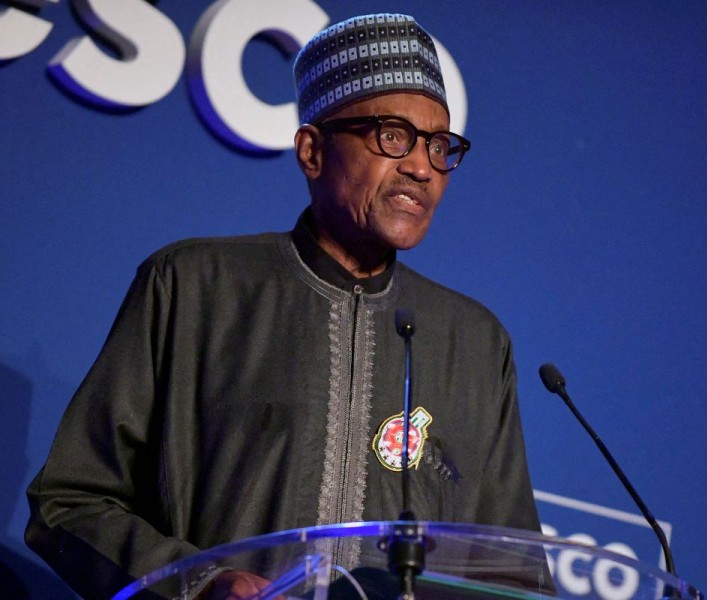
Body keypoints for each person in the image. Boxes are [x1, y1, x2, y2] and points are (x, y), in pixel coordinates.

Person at [25, 13, 542, 600]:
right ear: (312, 151)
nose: (422, 167)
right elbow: (69, 503)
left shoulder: (474, 343)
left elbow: (514, 575)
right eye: (393, 135)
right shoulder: (194, 287)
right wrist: (201, 583)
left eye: (440, 145)